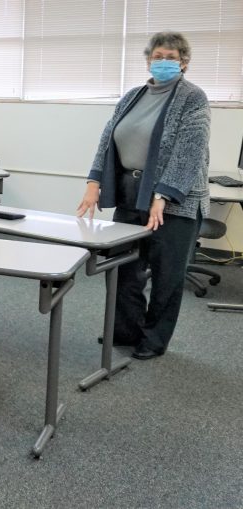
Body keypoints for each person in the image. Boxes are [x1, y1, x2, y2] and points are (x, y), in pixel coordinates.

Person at [76, 31, 210, 361]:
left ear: (184, 62)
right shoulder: (132, 96)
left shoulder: (193, 98)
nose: (163, 62)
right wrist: (94, 182)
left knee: (167, 276)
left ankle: (154, 338)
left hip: (176, 201)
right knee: (123, 268)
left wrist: (162, 195)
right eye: (157, 56)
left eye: (171, 57)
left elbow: (189, 151)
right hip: (129, 194)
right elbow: (108, 139)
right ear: (148, 60)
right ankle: (125, 331)